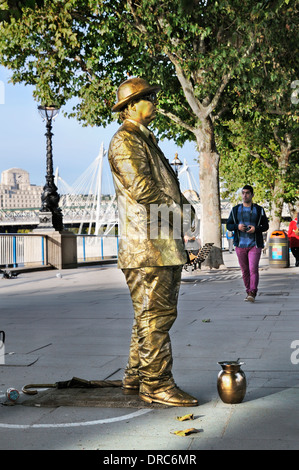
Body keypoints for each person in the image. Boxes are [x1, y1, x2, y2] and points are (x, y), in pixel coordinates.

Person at [108, 77, 198, 407]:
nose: (154, 102)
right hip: (148, 246)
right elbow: (144, 191)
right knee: (156, 317)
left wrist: (185, 215)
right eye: (149, 98)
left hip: (158, 243)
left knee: (148, 314)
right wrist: (179, 213)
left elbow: (160, 188)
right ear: (131, 106)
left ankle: (136, 375)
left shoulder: (143, 139)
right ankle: (157, 383)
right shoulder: (125, 141)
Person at [226, 185, 269, 302]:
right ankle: (248, 290)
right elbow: (228, 225)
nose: (245, 195)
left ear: (252, 195)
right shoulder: (235, 210)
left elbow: (266, 226)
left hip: (255, 244)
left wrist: (256, 229)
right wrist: (237, 227)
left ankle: (252, 292)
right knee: (245, 270)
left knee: (253, 269)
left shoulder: (259, 210)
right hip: (240, 245)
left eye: (247, 193)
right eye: (243, 193)